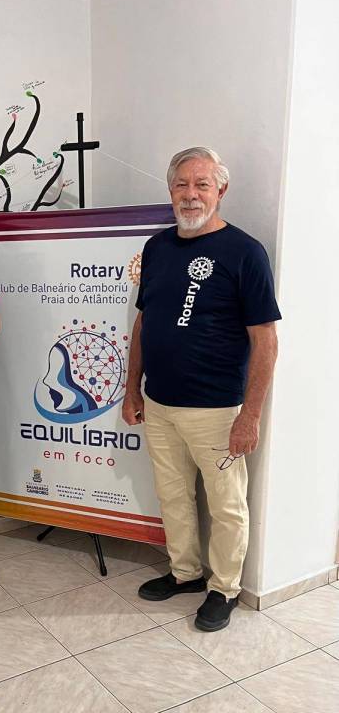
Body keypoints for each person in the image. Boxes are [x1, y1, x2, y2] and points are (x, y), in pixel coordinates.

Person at [122, 147, 280, 631]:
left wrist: (250, 415)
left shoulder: (245, 252)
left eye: (202, 184)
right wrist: (132, 389)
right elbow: (144, 322)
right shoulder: (157, 248)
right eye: (181, 185)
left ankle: (224, 588)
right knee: (172, 495)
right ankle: (186, 573)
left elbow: (265, 339)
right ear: (170, 191)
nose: (190, 195)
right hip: (159, 402)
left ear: (220, 190)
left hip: (217, 409)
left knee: (227, 505)